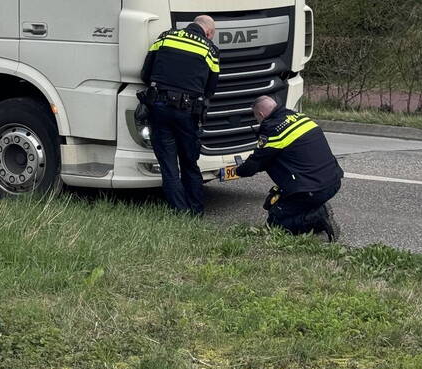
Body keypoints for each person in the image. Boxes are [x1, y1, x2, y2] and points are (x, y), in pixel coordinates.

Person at [140, 15, 220, 215]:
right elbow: (210, 89)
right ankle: (196, 209)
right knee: (189, 162)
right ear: (208, 32)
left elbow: (145, 73)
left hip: (159, 107)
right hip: (187, 113)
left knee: (168, 164)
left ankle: (180, 211)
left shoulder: (165, 37)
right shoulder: (210, 50)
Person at [234, 96, 343, 241]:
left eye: (256, 118)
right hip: (333, 180)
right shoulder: (299, 117)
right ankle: (314, 215)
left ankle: (317, 217)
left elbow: (255, 163)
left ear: (260, 115)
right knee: (276, 201)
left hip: (313, 190)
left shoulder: (272, 129)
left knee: (275, 222)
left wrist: (238, 170)